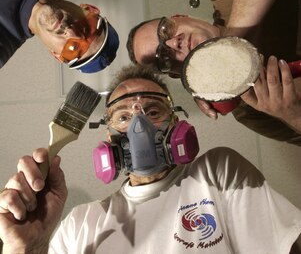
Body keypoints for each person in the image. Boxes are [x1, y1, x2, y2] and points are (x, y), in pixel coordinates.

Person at [0, 64, 301, 253]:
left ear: (175, 124)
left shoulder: (216, 174)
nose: (138, 125)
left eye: (153, 111)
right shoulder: (81, 224)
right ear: (108, 137)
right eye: (123, 116)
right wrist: (27, 248)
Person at [126, 0, 301, 143]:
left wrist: (230, 46)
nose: (172, 42)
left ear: (181, 16)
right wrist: (292, 113)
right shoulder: (247, 108)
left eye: (165, 30)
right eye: (163, 56)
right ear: (178, 73)